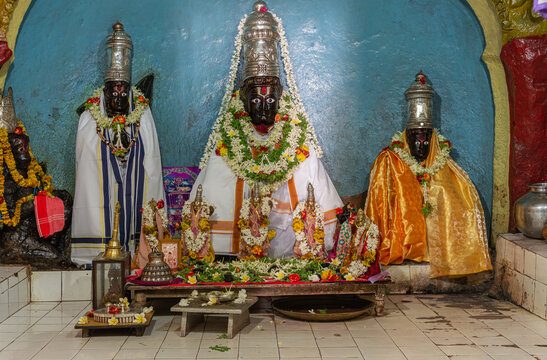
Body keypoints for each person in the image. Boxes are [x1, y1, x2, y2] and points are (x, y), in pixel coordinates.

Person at [192, 1, 342, 258]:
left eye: (270, 99)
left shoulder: (295, 133)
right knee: (222, 168)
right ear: (243, 98)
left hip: (288, 245)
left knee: (305, 166)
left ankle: (302, 244)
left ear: (280, 97)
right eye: (256, 99)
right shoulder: (231, 134)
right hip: (235, 246)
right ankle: (235, 249)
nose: (263, 107)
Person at [365, 72, 492, 278]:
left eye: (425, 140)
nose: (420, 145)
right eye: (416, 138)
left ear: (433, 140)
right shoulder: (391, 160)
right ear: (406, 137)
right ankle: (411, 247)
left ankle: (437, 250)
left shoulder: (442, 163)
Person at [71, 23, 165, 265]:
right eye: (114, 92)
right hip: (105, 188)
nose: (119, 97)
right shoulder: (88, 118)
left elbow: (151, 161)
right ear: (105, 91)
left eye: (124, 93)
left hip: (132, 185)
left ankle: (139, 251)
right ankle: (97, 252)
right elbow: (87, 164)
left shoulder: (142, 115)